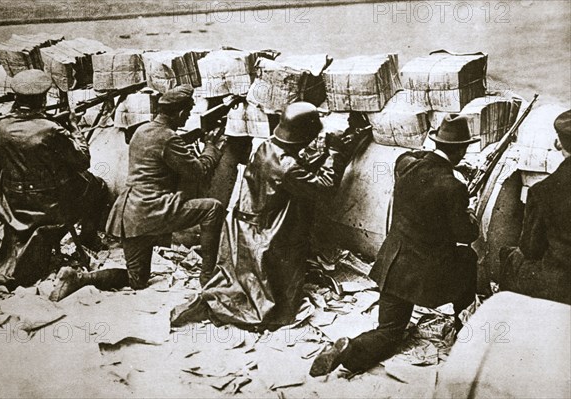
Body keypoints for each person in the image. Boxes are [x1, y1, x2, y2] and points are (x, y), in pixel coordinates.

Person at [310, 114, 480, 376]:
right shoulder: (453, 186)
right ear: (461, 149)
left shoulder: (406, 166)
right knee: (467, 257)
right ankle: (464, 330)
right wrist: (470, 215)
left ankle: (349, 350)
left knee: (389, 332)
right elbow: (465, 234)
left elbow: (411, 158)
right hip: (424, 275)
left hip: (393, 266)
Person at [170, 102, 359, 330]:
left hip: (242, 228)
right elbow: (324, 187)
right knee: (272, 306)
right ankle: (223, 309)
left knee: (235, 284)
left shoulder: (265, 147)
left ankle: (211, 303)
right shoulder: (287, 166)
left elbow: (295, 168)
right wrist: (335, 155)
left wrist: (318, 154)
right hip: (266, 235)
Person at [50, 84, 226, 301]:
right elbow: (198, 171)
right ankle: (207, 277)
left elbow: (158, 152)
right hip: (154, 210)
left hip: (130, 215)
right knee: (213, 209)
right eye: (187, 113)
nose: (187, 117)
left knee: (137, 280)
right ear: (180, 113)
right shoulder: (169, 139)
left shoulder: (141, 131)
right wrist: (212, 146)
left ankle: (79, 278)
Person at [0, 69, 109, 287]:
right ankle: (88, 238)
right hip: (50, 206)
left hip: (13, 204)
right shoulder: (51, 130)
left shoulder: (0, 128)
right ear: (42, 97)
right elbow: (82, 160)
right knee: (98, 185)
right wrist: (74, 127)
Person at [500, 109, 571, 305]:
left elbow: (531, 249)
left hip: (562, 282)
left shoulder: (543, 191)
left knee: (510, 257)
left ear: (560, 144)